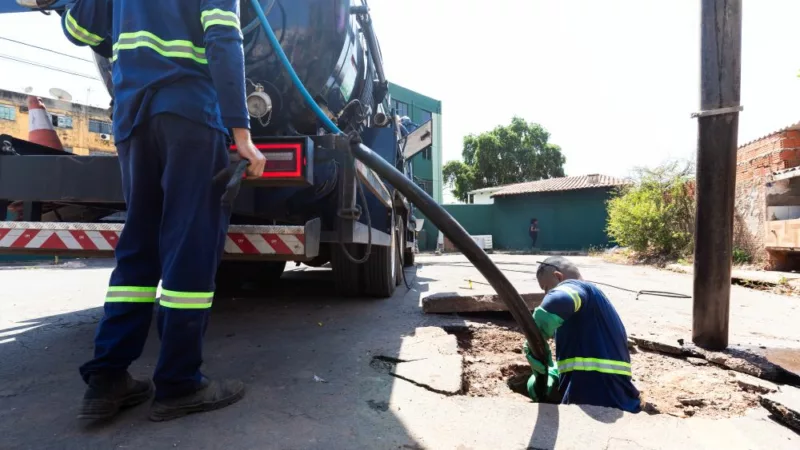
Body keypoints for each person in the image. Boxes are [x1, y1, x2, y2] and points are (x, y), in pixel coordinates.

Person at [59, 0, 266, 422]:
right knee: (189, 246)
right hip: (188, 114)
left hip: (132, 118)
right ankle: (178, 384)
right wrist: (241, 131)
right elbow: (223, 36)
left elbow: (79, 29)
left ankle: (107, 378)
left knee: (139, 246)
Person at [514, 256, 641, 413]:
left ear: (558, 277)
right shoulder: (592, 306)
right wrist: (554, 374)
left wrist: (534, 337)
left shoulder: (578, 288)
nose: (546, 294)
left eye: (546, 289)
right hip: (615, 397)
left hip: (599, 400)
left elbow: (560, 298)